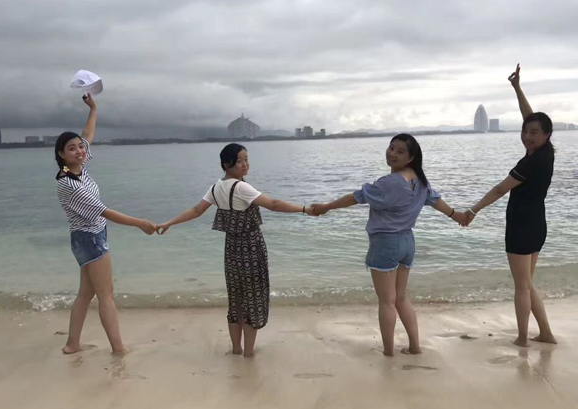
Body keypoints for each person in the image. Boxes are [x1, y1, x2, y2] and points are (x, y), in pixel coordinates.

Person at [311, 133, 466, 357]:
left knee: (387, 302)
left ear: (411, 157)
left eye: (400, 151)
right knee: (401, 297)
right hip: (407, 242)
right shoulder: (419, 180)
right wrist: (456, 215)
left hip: (386, 243)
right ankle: (414, 346)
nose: (392, 154)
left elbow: (356, 197)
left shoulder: (390, 183)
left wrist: (326, 207)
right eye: (391, 148)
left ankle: (388, 351)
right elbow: (435, 200)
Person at [156, 143, 315, 357]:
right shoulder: (241, 188)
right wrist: (304, 209)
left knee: (236, 300)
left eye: (246, 159)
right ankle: (248, 352)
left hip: (231, 251)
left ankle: (236, 349)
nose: (245, 164)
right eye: (239, 161)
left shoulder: (216, 187)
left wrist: (169, 223)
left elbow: (196, 211)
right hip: (251, 249)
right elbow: (274, 204)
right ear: (226, 164)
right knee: (252, 300)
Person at [55, 94, 157, 355]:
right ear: (61, 155)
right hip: (90, 238)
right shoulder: (69, 183)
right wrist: (140, 223)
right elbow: (105, 212)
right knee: (106, 294)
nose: (80, 150)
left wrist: (93, 108)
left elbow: (87, 134)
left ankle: (72, 344)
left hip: (85, 237)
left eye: (80, 147)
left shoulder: (76, 169)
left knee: (86, 293)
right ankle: (118, 348)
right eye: (71, 149)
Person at [464, 64, 557, 347]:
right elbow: (530, 117)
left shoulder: (530, 163)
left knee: (521, 287)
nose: (527, 136)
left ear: (546, 135)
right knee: (527, 283)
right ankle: (545, 333)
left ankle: (522, 338)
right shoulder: (547, 153)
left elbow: (499, 189)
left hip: (521, 228)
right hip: (538, 225)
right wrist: (517, 88)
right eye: (525, 131)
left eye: (534, 133)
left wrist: (473, 210)